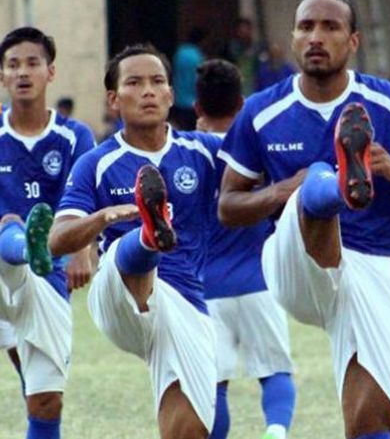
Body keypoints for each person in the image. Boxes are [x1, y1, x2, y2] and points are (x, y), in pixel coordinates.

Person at [217, 0, 390, 439]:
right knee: (311, 189)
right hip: (295, 262)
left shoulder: (389, 102)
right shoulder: (261, 111)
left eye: (330, 27)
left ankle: (341, 180)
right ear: (292, 38)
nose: (316, 36)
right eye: (306, 26)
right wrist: (282, 191)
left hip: (369, 265)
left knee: (372, 421)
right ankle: (331, 187)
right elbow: (228, 207)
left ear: (353, 42)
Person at [48, 44, 222, 439]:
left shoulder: (204, 151)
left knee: (192, 429)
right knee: (131, 254)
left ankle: (150, 227)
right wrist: (102, 218)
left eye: (157, 81)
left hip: (186, 304)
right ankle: (148, 233)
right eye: (135, 83)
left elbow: (253, 176)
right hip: (118, 297)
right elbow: (56, 241)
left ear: (170, 95)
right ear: (113, 99)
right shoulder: (97, 162)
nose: (148, 91)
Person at [0, 26, 95, 439]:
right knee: (10, 232)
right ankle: (22, 243)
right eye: (13, 65)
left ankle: (31, 246)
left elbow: (89, 198)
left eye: (32, 63)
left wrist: (83, 248)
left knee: (45, 399)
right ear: (2, 76)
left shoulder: (75, 137)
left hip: (50, 271)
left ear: (50, 73)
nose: (23, 72)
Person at [195, 59, 296, 439]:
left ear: (198, 108)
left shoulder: (189, 151)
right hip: (260, 281)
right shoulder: (260, 150)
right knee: (275, 371)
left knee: (214, 383)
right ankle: (275, 430)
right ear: (241, 104)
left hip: (207, 289)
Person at [170, 28, 207, 130]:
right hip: (192, 102)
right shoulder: (197, 56)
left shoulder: (180, 52)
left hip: (178, 99)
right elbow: (198, 80)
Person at [223, 18, 260, 96]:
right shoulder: (231, 47)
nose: (245, 32)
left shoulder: (256, 47)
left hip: (254, 85)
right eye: (242, 30)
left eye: (247, 29)